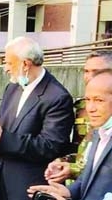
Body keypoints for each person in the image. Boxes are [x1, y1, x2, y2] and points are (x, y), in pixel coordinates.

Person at [0, 36, 75, 200]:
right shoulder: (13, 87)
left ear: (25, 64)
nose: (5, 68)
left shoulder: (57, 97)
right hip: (1, 185)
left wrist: (2, 138)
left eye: (9, 62)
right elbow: (3, 121)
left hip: (28, 192)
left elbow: (51, 146)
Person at [28, 71, 112, 200]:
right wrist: (67, 192)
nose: (90, 108)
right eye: (87, 100)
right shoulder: (100, 131)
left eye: (99, 100)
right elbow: (88, 176)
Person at [44, 50, 112, 184]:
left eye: (96, 71)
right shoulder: (82, 106)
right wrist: (64, 161)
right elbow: (82, 149)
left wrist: (74, 169)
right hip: (79, 188)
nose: (89, 76)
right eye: (86, 71)